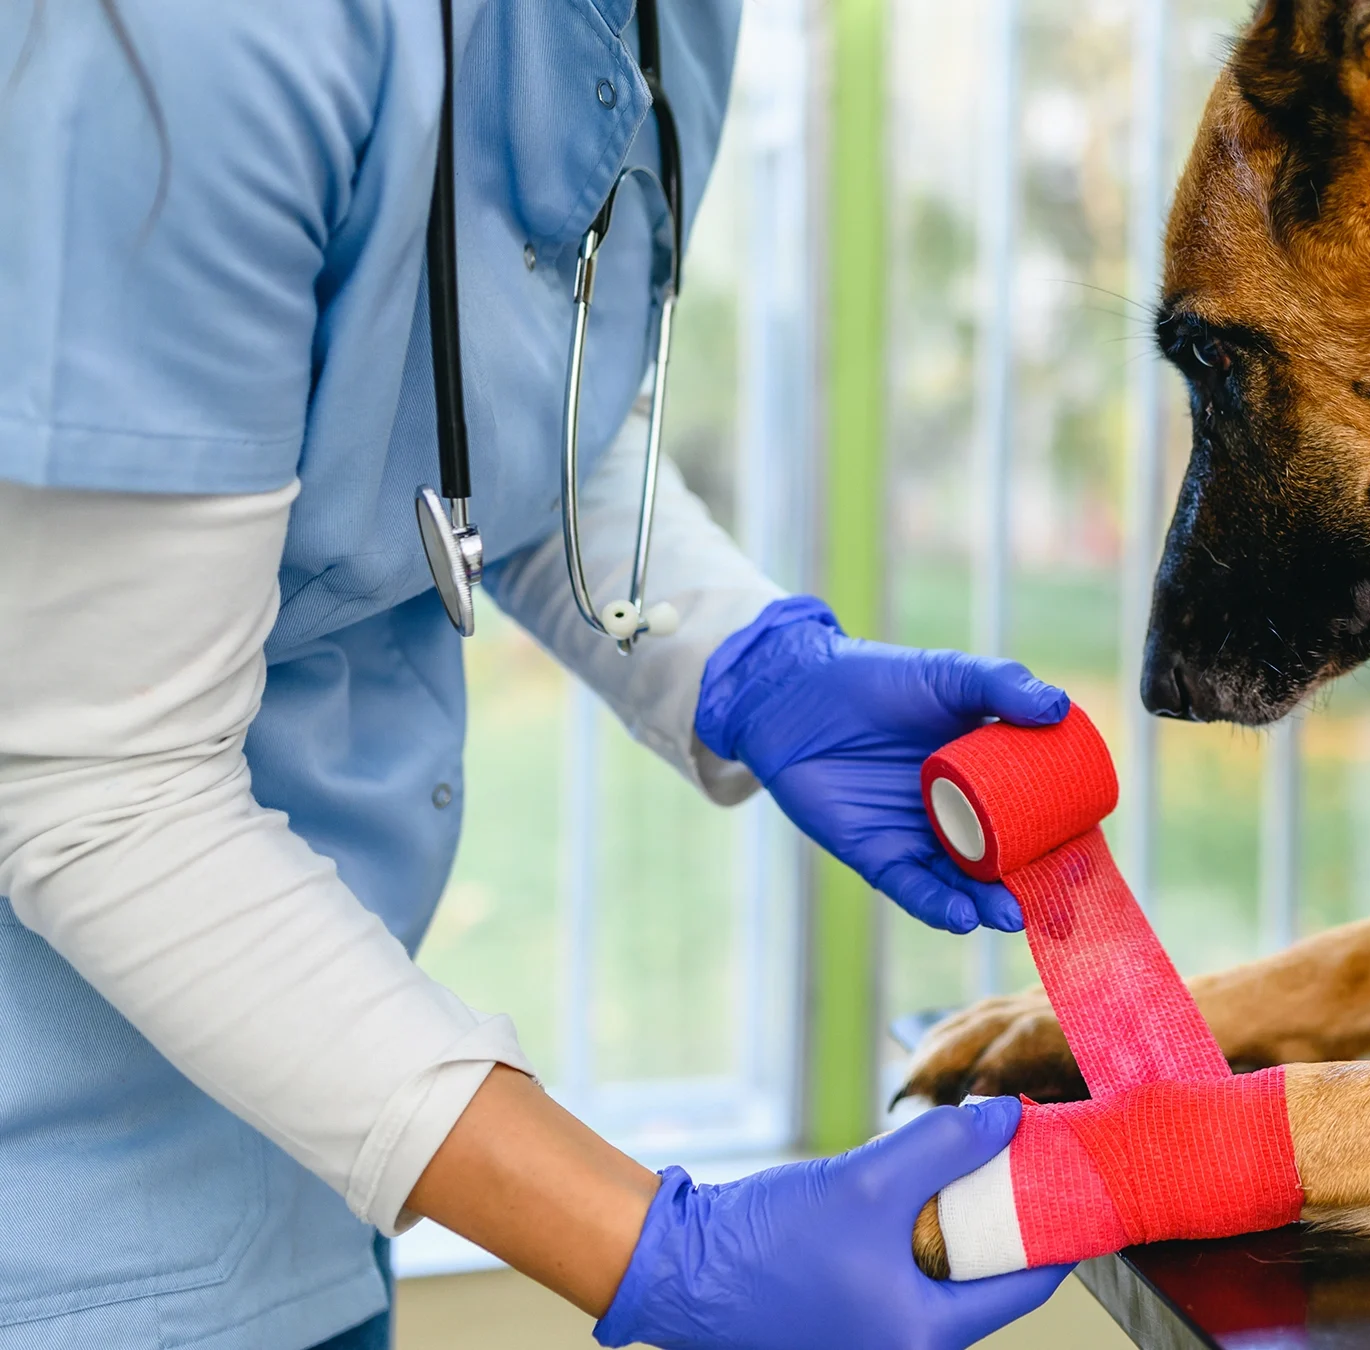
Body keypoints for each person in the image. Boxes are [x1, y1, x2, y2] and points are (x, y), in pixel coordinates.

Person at [0, 1, 1073, 1347]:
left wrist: (748, 661)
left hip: (311, 1149)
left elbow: (493, 395)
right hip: (55, 1229)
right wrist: (660, 1246)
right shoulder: (208, 37)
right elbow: (105, 790)